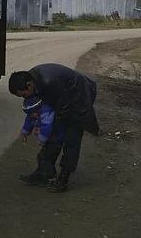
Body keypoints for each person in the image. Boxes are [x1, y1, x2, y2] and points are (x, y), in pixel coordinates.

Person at [9, 63, 100, 192]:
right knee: (54, 135)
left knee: (71, 139)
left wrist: (45, 130)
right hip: (63, 98)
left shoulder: (49, 82)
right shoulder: (32, 79)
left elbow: (61, 109)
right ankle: (44, 172)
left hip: (80, 97)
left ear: (29, 85)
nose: (25, 98)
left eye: (23, 95)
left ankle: (63, 179)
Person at [19, 95, 65, 185]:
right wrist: (25, 132)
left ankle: (47, 176)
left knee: (45, 157)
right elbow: (29, 120)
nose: (31, 116)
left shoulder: (46, 113)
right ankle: (44, 174)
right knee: (44, 157)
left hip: (56, 139)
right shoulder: (34, 112)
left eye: (31, 114)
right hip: (51, 139)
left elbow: (47, 128)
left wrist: (41, 139)